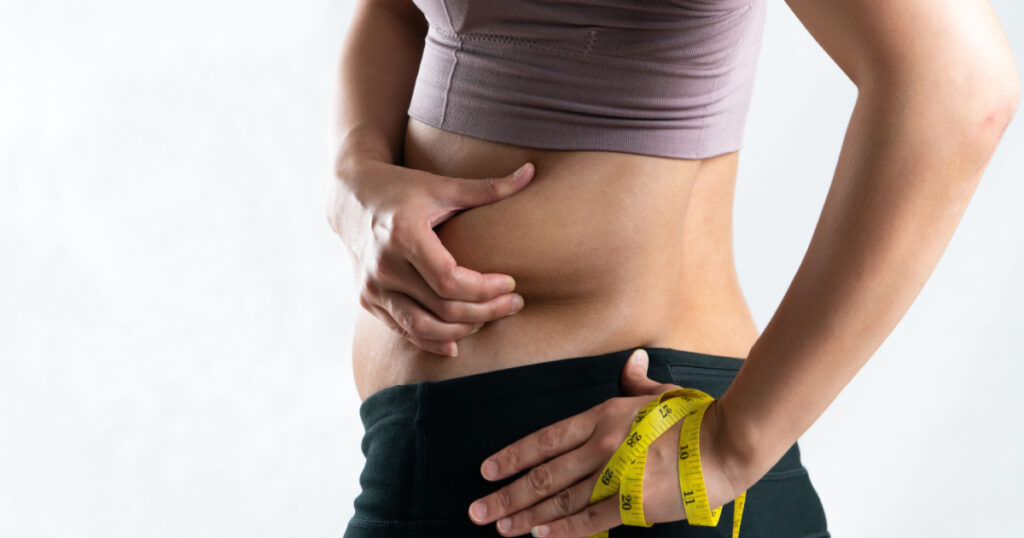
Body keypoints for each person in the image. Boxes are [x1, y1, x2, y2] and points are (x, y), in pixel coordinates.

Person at [327, 0, 1019, 536]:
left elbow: (959, 87)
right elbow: (397, 10)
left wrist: (727, 450)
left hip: (618, 460)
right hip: (427, 457)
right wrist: (355, 171)